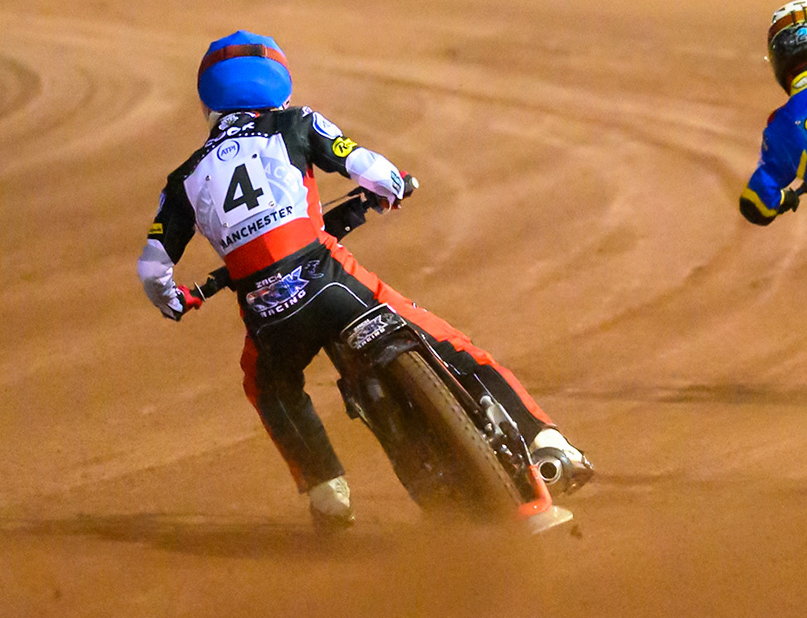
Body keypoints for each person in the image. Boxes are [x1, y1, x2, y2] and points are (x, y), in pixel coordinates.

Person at [137, 31, 592, 532]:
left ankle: (326, 491)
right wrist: (392, 187)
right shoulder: (296, 122)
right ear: (279, 84)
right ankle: (545, 440)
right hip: (330, 281)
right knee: (446, 342)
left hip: (269, 314)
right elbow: (370, 169)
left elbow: (153, 270)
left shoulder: (183, 178)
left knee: (268, 388)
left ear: (208, 100)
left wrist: (176, 300)